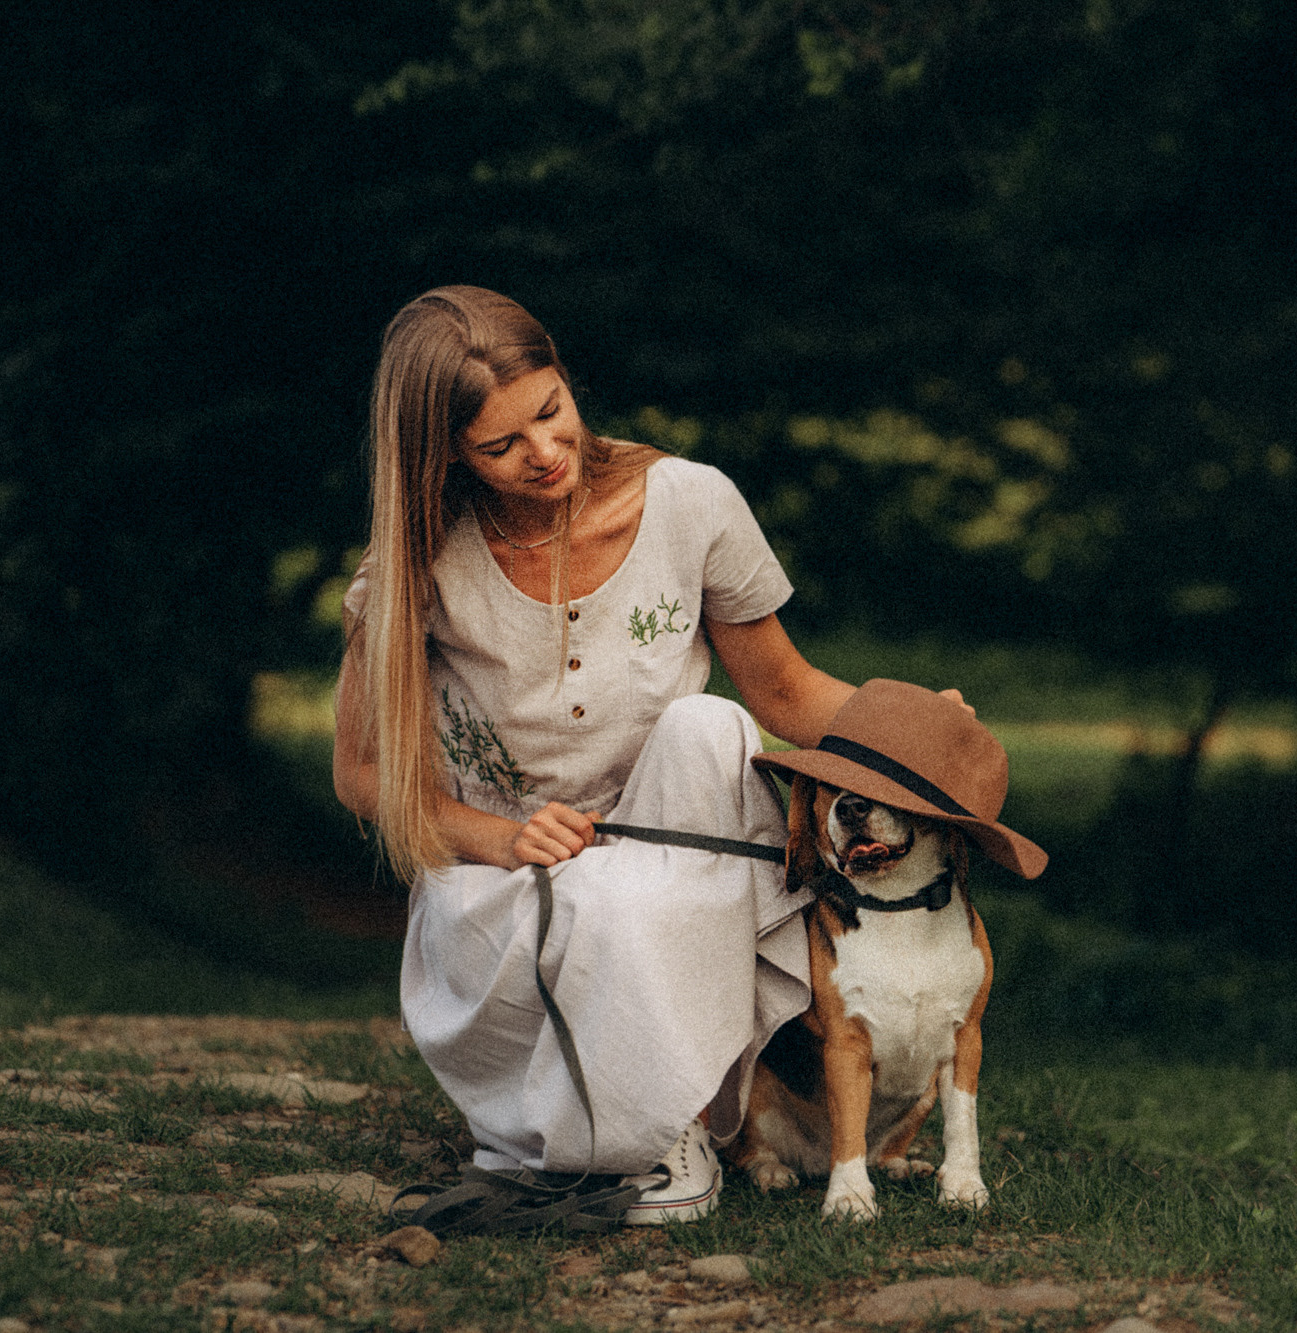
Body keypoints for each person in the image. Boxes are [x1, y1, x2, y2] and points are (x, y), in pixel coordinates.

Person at [332, 286, 960, 1224]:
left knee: (714, 730)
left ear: (565, 378)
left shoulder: (690, 501)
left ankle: (684, 1109)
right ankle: (645, 1137)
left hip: (673, 852)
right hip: (513, 880)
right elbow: (362, 775)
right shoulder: (417, 561)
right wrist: (500, 838)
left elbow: (785, 692)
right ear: (445, 453)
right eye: (500, 446)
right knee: (601, 899)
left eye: (551, 411)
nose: (544, 453)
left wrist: (921, 728)